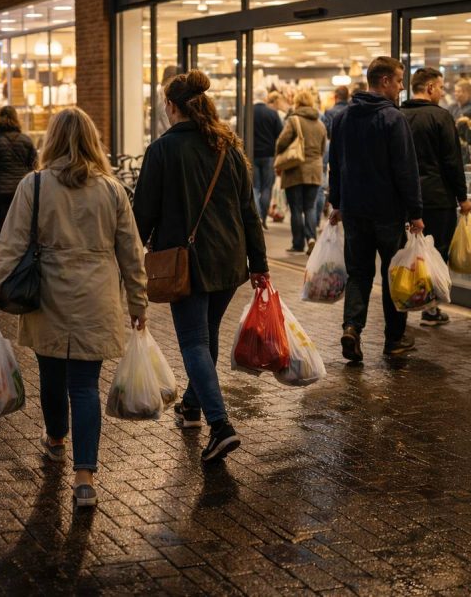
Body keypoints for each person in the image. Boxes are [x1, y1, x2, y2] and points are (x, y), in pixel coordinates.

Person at [0, 107, 148, 509]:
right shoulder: (112, 190)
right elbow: (131, 251)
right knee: (86, 386)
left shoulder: (34, 185)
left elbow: (11, 246)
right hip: (97, 296)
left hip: (47, 297)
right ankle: (85, 476)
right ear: (92, 140)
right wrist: (138, 300)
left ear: (51, 141)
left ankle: (56, 438)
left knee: (52, 376)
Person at [133, 70, 269, 464]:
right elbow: (250, 211)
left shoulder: (162, 150)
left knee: (193, 342)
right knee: (205, 335)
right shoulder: (227, 145)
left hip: (185, 263)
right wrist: (259, 264)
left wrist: (128, 261)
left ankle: (221, 425)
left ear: (172, 106)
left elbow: (143, 214)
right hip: (229, 261)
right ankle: (192, 407)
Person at [328, 56, 423, 361]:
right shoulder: (393, 119)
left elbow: (335, 166)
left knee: (358, 273)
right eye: (398, 81)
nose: (401, 87)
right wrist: (415, 212)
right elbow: (406, 170)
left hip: (355, 210)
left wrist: (338, 203)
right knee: (394, 274)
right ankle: (393, 340)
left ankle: (352, 328)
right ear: (384, 81)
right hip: (387, 212)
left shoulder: (342, 119)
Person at [400, 67, 471, 327]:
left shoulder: (398, 115)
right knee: (436, 253)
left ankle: (402, 303)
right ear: (430, 88)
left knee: (405, 253)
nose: (443, 93)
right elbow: (453, 162)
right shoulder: (441, 118)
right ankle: (429, 309)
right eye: (441, 87)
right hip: (436, 197)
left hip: (403, 199)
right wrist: (462, 197)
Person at [276, 89, 327, 255]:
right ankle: (311, 238)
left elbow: (282, 142)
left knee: (296, 208)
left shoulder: (294, 120)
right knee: (310, 207)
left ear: (297, 103)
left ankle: (298, 243)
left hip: (295, 170)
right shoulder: (320, 124)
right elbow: (322, 149)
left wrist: (279, 153)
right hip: (315, 170)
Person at [0, 105, 38, 241]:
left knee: (1, 229)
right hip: (20, 190)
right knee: (20, 229)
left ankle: (2, 257)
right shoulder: (26, 140)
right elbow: (34, 167)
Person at [252, 87, 283, 228]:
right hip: (269, 155)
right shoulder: (272, 113)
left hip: (251, 155)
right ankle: (263, 218)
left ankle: (257, 216)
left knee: (255, 187)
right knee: (266, 188)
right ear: (265, 97)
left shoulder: (247, 111)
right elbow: (280, 134)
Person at [448, 79, 471, 166]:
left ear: (468, 93)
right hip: (452, 147)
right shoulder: (452, 107)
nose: (456, 94)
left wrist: (469, 121)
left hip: (468, 148)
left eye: (459, 91)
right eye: (455, 91)